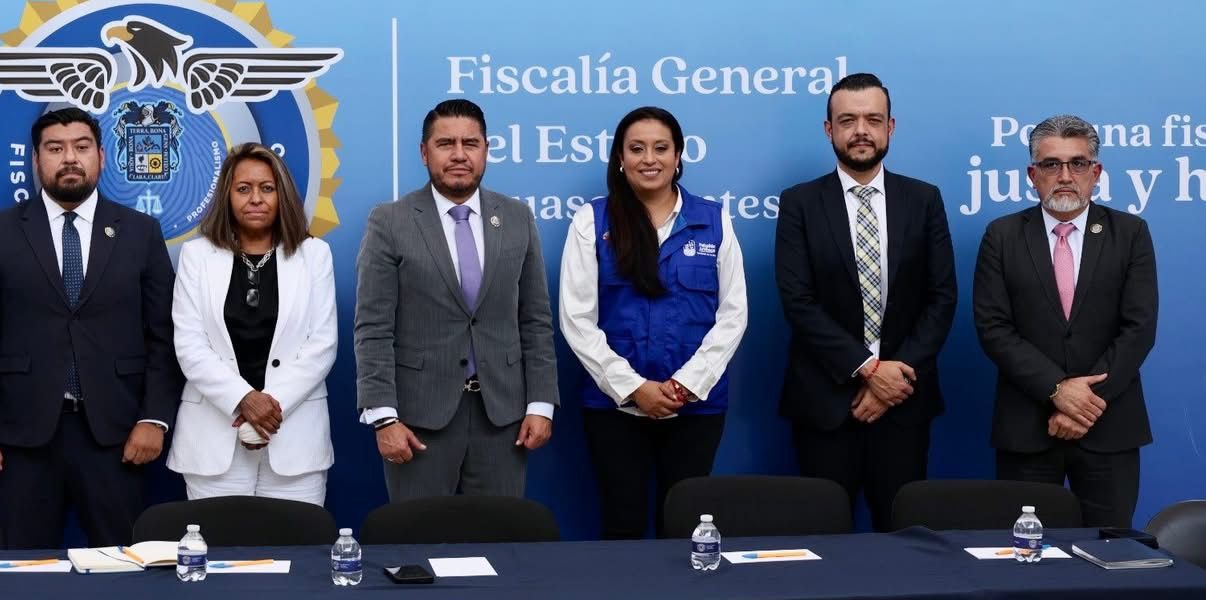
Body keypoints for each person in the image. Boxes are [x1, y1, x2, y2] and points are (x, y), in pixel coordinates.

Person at [0, 107, 181, 549]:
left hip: (117, 436)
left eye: (81, 147)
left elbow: (164, 338)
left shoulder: (139, 232)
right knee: (27, 571)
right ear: (36, 161)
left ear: (101, 157)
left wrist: (154, 418)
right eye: (55, 149)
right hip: (24, 439)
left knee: (124, 569)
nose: (69, 158)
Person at [775, 73, 957, 531]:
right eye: (848, 120)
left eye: (873, 119)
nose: (861, 130)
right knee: (821, 543)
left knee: (904, 542)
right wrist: (868, 370)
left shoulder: (924, 199)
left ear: (890, 127)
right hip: (825, 404)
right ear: (828, 129)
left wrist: (894, 377)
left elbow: (941, 297)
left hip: (904, 402)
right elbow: (798, 301)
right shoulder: (799, 203)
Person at [354, 99, 558, 500]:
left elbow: (535, 320)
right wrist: (383, 418)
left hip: (503, 420)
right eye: (446, 143)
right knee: (420, 549)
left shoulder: (517, 217)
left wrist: (541, 404)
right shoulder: (390, 221)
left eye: (471, 143)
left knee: (499, 546)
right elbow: (373, 328)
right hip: (418, 422)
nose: (460, 155)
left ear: (486, 149)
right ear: (424, 152)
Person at [560, 106, 747, 539]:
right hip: (614, 407)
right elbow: (576, 317)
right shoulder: (593, 220)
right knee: (621, 523)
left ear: (678, 155)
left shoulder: (714, 219)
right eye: (636, 149)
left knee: (684, 527)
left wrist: (685, 385)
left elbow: (733, 314)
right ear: (619, 158)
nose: (650, 159)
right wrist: (633, 388)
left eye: (661, 148)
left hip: (695, 406)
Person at [973, 115, 1157, 528]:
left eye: (1077, 164)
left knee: (1112, 558)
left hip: (1110, 428)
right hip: (1028, 430)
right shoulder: (1001, 236)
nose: (1065, 176)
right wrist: (1056, 391)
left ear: (1096, 173)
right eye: (1051, 164)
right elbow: (994, 329)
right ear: (1032, 175)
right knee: (1024, 565)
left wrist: (1084, 405)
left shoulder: (1130, 233)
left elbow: (1139, 328)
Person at [166, 142, 338, 506]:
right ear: (227, 196)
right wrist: (243, 399)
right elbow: (190, 346)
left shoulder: (314, 255)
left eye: (267, 188)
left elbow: (322, 345)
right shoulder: (196, 257)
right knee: (217, 557)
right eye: (243, 189)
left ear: (283, 194)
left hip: (295, 441)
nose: (255, 198)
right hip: (212, 442)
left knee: (298, 557)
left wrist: (269, 407)